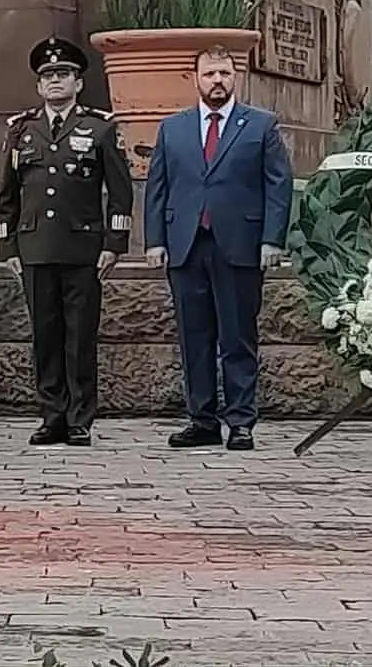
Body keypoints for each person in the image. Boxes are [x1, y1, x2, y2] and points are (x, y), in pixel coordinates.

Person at [144, 46, 292, 451]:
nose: (217, 81)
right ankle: (202, 419)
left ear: (235, 77)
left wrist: (272, 239)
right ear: (195, 78)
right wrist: (155, 240)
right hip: (187, 246)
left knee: (237, 336)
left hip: (240, 246)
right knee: (194, 338)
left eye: (224, 73)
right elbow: (158, 187)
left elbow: (278, 186)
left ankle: (241, 421)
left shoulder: (260, 125)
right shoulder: (173, 128)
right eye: (209, 74)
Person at [0, 38, 133, 447]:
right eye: (48, 76)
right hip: (35, 247)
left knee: (79, 336)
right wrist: (8, 247)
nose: (55, 82)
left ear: (78, 81)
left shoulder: (100, 127)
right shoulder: (22, 130)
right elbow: (7, 194)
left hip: (83, 248)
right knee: (45, 334)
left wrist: (114, 243)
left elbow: (120, 192)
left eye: (63, 75)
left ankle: (79, 418)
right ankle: (51, 414)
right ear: (39, 87)